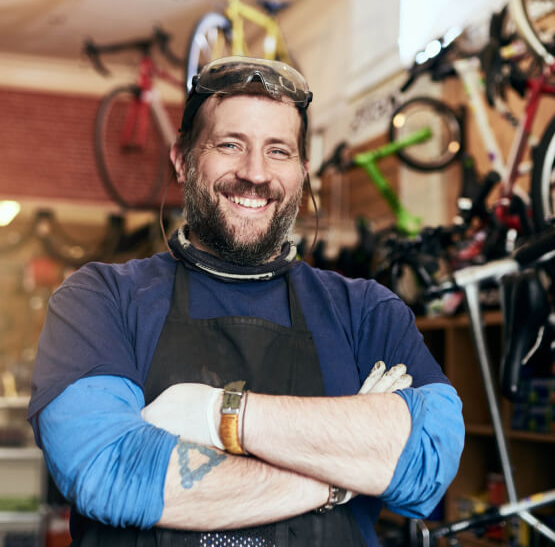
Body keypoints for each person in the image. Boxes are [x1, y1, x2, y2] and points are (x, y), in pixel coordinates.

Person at [28, 56, 464, 546]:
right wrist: (344, 475)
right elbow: (109, 472)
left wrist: (218, 414)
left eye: (278, 151)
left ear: (302, 171)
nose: (255, 173)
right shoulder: (100, 300)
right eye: (230, 145)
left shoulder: (366, 313)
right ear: (182, 158)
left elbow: (429, 461)